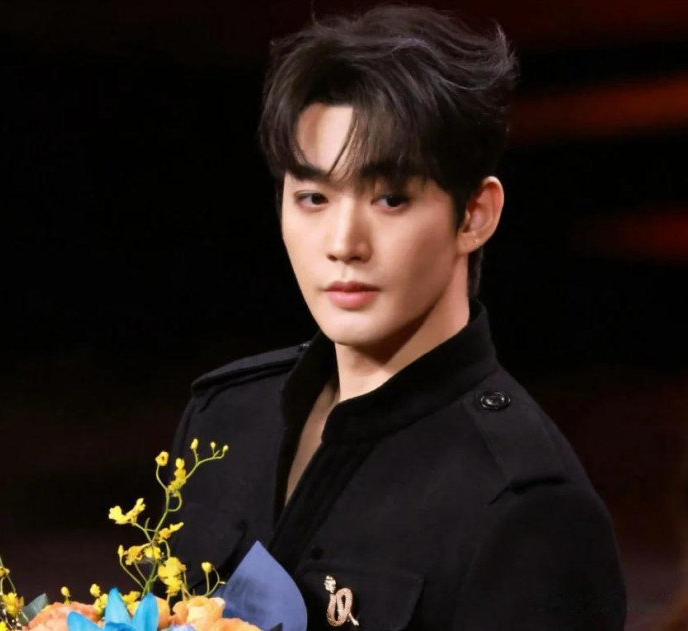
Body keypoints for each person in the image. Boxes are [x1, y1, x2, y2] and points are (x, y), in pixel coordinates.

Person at [168, 6, 627, 629]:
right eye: (313, 198)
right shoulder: (225, 419)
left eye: (390, 199)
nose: (343, 243)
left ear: (475, 215)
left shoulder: (528, 509)